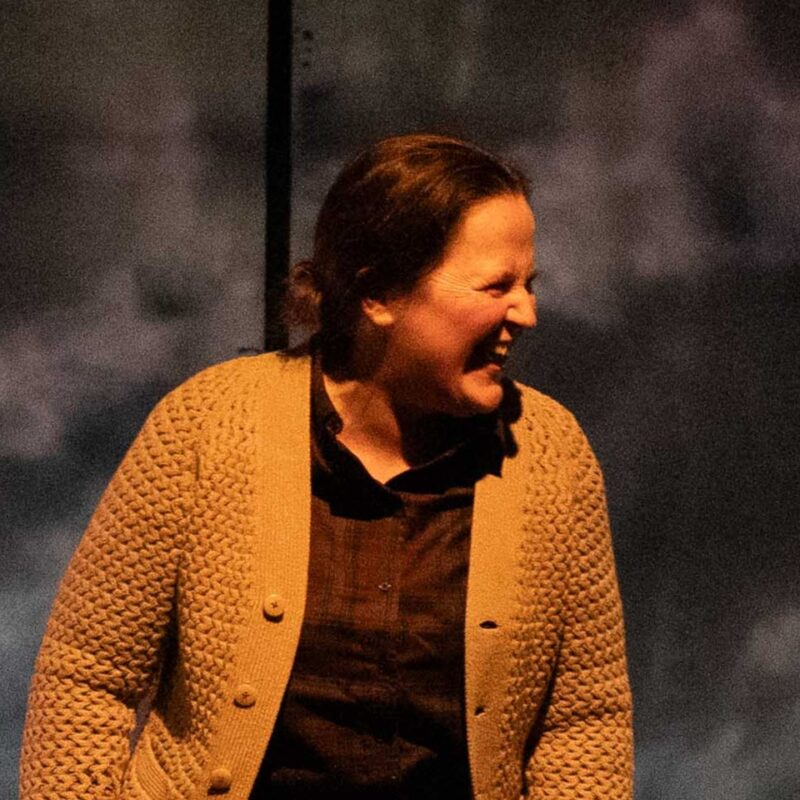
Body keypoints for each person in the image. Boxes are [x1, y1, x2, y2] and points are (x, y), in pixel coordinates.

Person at [20, 133, 633, 799]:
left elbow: (584, 718)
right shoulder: (210, 426)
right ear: (378, 294)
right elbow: (87, 675)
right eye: (496, 286)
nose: (527, 313)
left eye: (529, 285)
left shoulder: (548, 455)